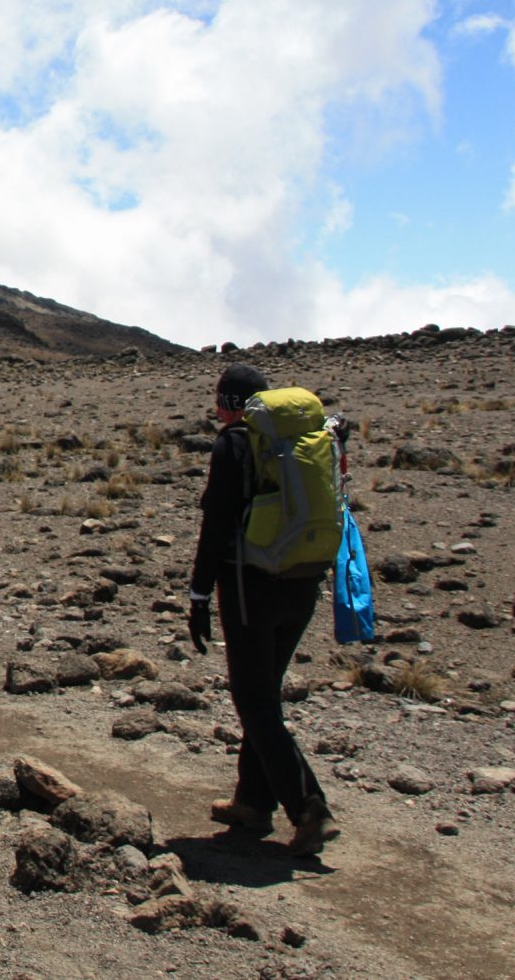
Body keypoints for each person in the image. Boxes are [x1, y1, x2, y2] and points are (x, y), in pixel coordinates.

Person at [189, 363, 339, 857]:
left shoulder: (235, 444)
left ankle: (308, 806)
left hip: (250, 585)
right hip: (304, 579)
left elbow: (216, 526)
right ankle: (252, 805)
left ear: (228, 401)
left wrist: (198, 596)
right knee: (264, 696)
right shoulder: (305, 441)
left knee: (253, 702)